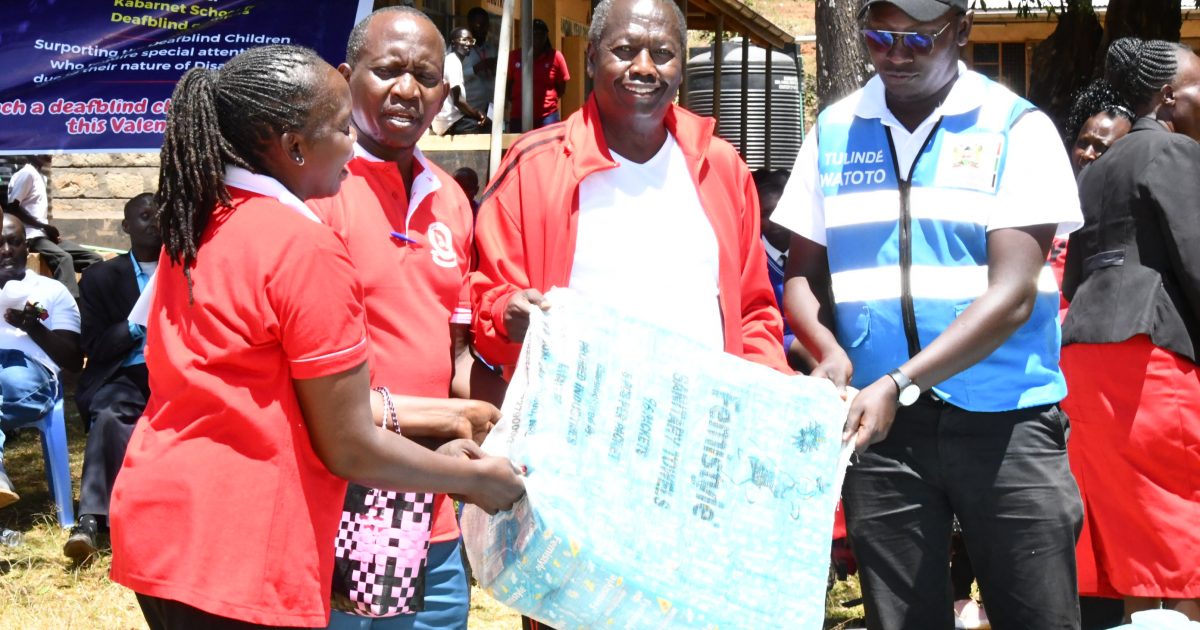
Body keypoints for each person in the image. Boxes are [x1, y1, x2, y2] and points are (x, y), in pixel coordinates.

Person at [107, 44, 524, 629]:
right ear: (295, 147)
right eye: (341, 128)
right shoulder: (304, 248)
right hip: (242, 546)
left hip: (164, 527)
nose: (354, 145)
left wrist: (441, 429)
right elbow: (349, 445)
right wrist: (474, 480)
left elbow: (270, 391)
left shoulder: (197, 224)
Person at [772, 0, 1085, 628]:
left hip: (1007, 422)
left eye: (919, 39)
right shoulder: (833, 131)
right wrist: (828, 351)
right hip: (883, 434)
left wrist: (902, 381)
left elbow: (1013, 295)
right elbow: (801, 275)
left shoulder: (1016, 129)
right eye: (879, 37)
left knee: (1039, 617)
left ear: (962, 29)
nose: (896, 55)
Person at [308, 8, 509, 629]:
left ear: (444, 94)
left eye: (424, 76)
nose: (406, 89)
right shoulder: (315, 190)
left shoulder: (451, 199)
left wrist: (513, 424)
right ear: (346, 78)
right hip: (342, 498)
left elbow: (455, 354)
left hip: (433, 506)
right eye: (388, 70)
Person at [1061, 37, 1200, 623]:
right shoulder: (1175, 152)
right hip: (1152, 357)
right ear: (1168, 97)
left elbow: (1074, 279)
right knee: (1184, 518)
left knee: (1136, 526)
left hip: (1088, 359)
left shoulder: (1096, 169)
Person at [62, 193, 160, 561]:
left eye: (162, 214)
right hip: (126, 371)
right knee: (108, 412)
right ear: (126, 226)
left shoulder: (189, 269)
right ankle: (90, 521)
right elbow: (94, 345)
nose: (155, 221)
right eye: (145, 215)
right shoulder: (101, 277)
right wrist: (137, 325)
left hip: (179, 370)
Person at [0, 212, 82, 509]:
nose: (6, 250)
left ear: (27, 247)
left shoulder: (52, 290)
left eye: (14, 242)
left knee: (10, 377)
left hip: (31, 374)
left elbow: (73, 359)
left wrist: (32, 326)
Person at [6, 156, 102, 299]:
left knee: (94, 260)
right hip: (32, 236)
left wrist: (47, 230)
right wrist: (43, 226)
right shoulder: (27, 173)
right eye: (43, 151)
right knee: (63, 259)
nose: (48, 154)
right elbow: (13, 208)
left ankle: (82, 298)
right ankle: (68, 302)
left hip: (43, 235)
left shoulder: (40, 176)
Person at [753, 168, 814, 372]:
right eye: (765, 214)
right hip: (773, 343)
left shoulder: (812, 250)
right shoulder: (753, 257)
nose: (774, 221)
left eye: (779, 212)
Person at [506, 18, 570, 132]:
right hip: (519, 115)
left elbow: (561, 89)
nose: (537, 38)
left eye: (541, 34)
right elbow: (508, 86)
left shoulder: (556, 57)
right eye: (533, 34)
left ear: (546, 36)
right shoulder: (514, 56)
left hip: (548, 116)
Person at [433, 27, 491, 136]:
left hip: (455, 119)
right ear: (453, 43)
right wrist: (478, 114)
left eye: (471, 41)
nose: (468, 44)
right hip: (449, 122)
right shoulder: (452, 61)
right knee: (487, 124)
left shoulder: (455, 61)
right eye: (464, 40)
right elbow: (458, 101)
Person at [463, 7, 500, 120]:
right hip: (469, 111)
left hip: (491, 109)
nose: (483, 29)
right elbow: (450, 78)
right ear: (470, 25)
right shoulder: (460, 50)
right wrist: (476, 69)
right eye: (479, 25)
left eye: (485, 25)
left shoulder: (492, 49)